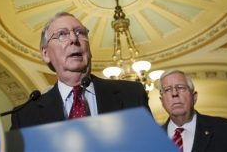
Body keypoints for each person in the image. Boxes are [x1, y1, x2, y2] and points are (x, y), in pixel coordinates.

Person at [10, 12, 151, 129]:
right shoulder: (25, 115)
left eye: (80, 32)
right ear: (46, 54)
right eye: (62, 34)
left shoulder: (132, 94)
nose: (73, 39)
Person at [159, 69, 227, 152]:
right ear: (162, 101)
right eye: (167, 90)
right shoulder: (151, 139)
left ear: (194, 97)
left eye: (181, 87)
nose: (174, 93)